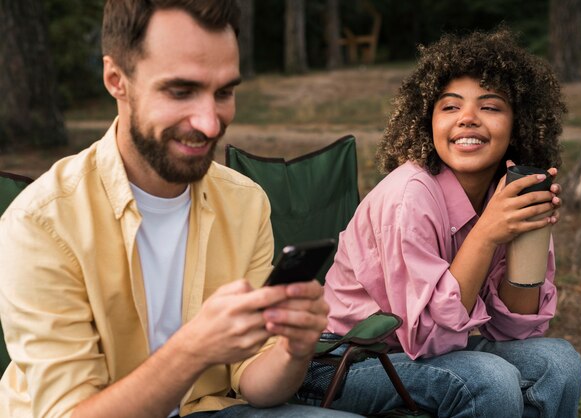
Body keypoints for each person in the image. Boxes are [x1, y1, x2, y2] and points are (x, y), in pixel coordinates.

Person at [0, 1, 362, 417]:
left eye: (223, 92)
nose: (210, 123)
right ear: (116, 80)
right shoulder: (42, 223)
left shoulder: (245, 202)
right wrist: (194, 348)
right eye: (181, 91)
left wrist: (294, 350)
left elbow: (254, 381)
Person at [297, 28, 581, 417]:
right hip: (342, 362)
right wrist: (485, 234)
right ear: (426, 122)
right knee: (489, 378)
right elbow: (427, 337)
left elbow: (515, 331)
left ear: (519, 123)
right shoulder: (408, 195)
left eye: (491, 107)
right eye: (450, 107)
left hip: (425, 357)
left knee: (559, 364)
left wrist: (525, 238)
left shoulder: (505, 195)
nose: (468, 119)